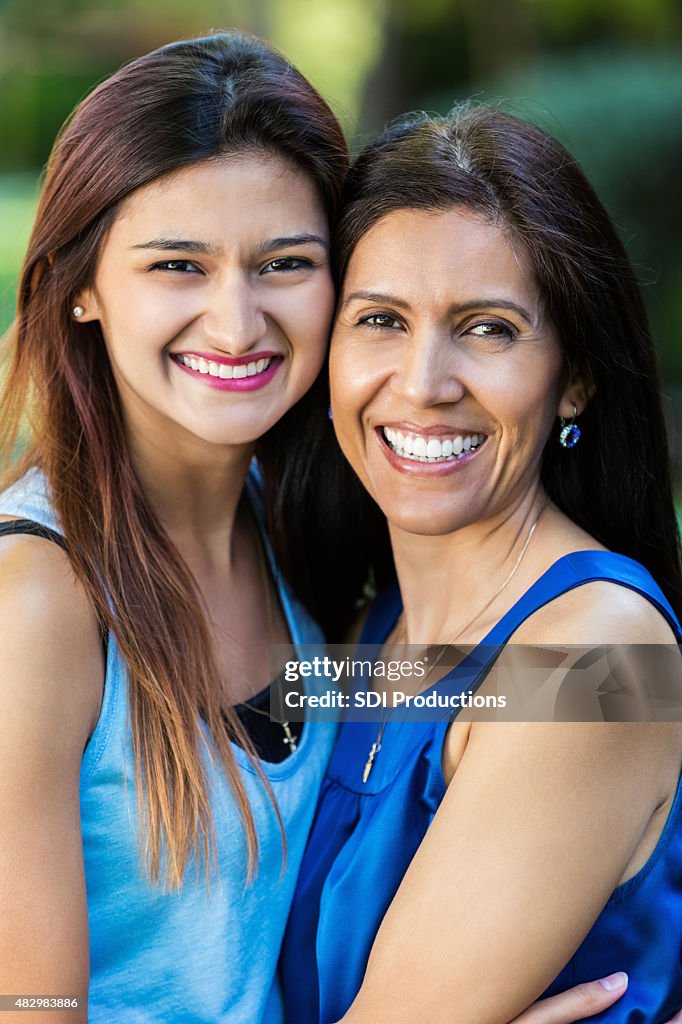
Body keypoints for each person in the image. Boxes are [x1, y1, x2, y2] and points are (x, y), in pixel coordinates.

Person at [0, 31, 652, 1024]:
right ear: (80, 285)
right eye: (178, 264)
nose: (234, 322)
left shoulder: (301, 545)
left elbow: (559, 694)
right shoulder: (37, 596)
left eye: (285, 264)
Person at [281, 107, 682, 1023]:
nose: (424, 382)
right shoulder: (365, 631)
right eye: (380, 318)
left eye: (490, 329)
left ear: (574, 376)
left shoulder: (598, 660)